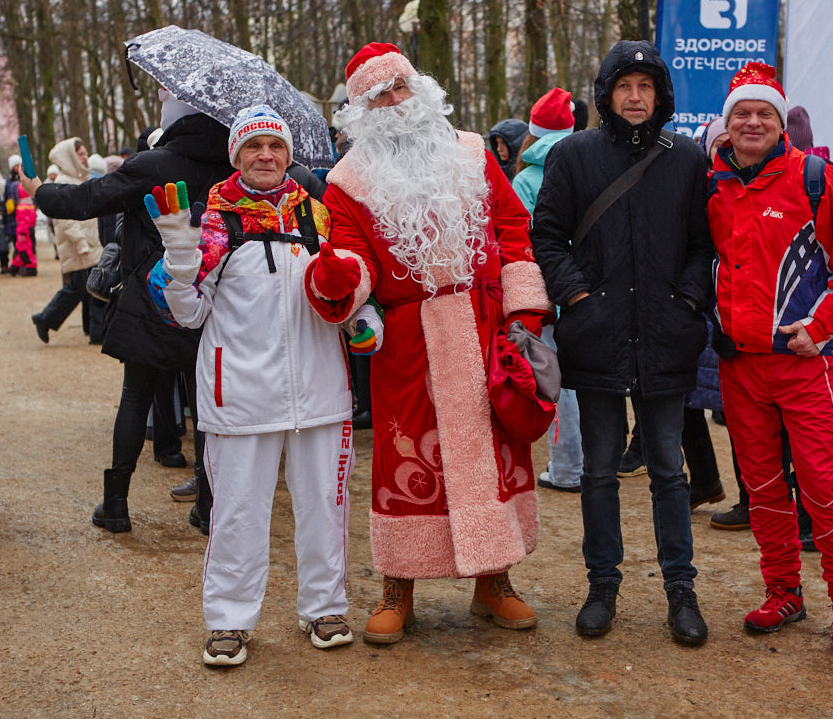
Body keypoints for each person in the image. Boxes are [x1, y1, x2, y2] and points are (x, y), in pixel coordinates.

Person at [305, 42, 551, 644]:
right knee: (406, 454)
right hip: (408, 340)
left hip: (485, 325)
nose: (394, 101)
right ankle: (399, 586)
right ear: (360, 111)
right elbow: (355, 260)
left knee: (493, 447)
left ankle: (494, 579)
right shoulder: (346, 183)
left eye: (400, 87)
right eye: (378, 95)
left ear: (420, 90)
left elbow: (512, 228)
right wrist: (340, 276)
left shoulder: (471, 152)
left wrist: (523, 312)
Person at [147, 105, 383, 667]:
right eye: (253, 146)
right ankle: (229, 621)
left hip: (320, 394)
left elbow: (345, 291)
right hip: (240, 396)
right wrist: (179, 256)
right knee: (237, 513)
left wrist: (362, 320)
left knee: (325, 509)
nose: (266, 156)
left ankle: (324, 608)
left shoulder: (318, 217)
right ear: (236, 156)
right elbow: (187, 314)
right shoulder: (213, 224)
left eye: (275, 146)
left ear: (288, 155)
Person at [531, 40, 712, 645]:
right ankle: (601, 586)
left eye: (646, 86)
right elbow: (547, 236)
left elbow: (702, 244)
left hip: (666, 335)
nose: (635, 97)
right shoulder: (574, 154)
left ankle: (680, 590)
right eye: (624, 86)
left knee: (669, 471)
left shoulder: (686, 158)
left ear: (660, 95)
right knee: (599, 470)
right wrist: (578, 297)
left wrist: (688, 302)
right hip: (598, 334)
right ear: (606, 94)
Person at [706, 62, 833, 657]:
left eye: (764, 113)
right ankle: (783, 591)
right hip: (740, 369)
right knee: (762, 488)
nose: (752, 122)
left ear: (781, 123)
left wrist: (819, 327)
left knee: (824, 488)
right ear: (727, 124)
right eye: (742, 114)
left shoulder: (816, 179)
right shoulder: (712, 185)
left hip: (804, 368)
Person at [26, 90, 235, 535]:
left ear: (172, 119)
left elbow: (84, 201)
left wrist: (38, 190)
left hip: (150, 298)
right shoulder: (232, 167)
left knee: (136, 396)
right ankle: (207, 506)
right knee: (204, 406)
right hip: (212, 298)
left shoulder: (152, 164)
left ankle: (116, 503)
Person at [510, 87, 582, 493]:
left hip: (547, 288)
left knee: (557, 379)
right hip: (586, 286)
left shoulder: (525, 179)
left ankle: (568, 468)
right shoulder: (587, 166)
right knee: (585, 378)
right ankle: (591, 463)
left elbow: (521, 241)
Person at [30, 139, 105, 344]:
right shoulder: (64, 181)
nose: (85, 157)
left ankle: (92, 329)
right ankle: (45, 319)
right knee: (78, 288)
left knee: (90, 288)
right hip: (77, 246)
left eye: (85, 153)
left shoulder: (80, 178)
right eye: (80, 154)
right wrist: (81, 244)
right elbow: (65, 221)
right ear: (70, 156)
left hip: (89, 244)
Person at [8, 184, 38, 276]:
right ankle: (15, 266)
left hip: (22, 232)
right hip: (27, 231)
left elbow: (23, 222)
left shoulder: (22, 208)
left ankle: (31, 267)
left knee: (25, 250)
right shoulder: (31, 206)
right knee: (22, 250)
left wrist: (22, 233)